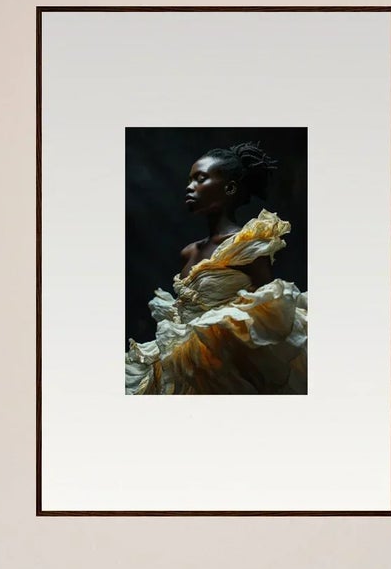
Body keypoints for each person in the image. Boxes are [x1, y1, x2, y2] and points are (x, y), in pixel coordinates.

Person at [125, 141, 307, 395]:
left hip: (228, 368)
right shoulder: (188, 252)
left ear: (229, 188)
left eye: (200, 179)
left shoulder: (247, 245)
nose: (189, 187)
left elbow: (269, 317)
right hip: (182, 363)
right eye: (190, 180)